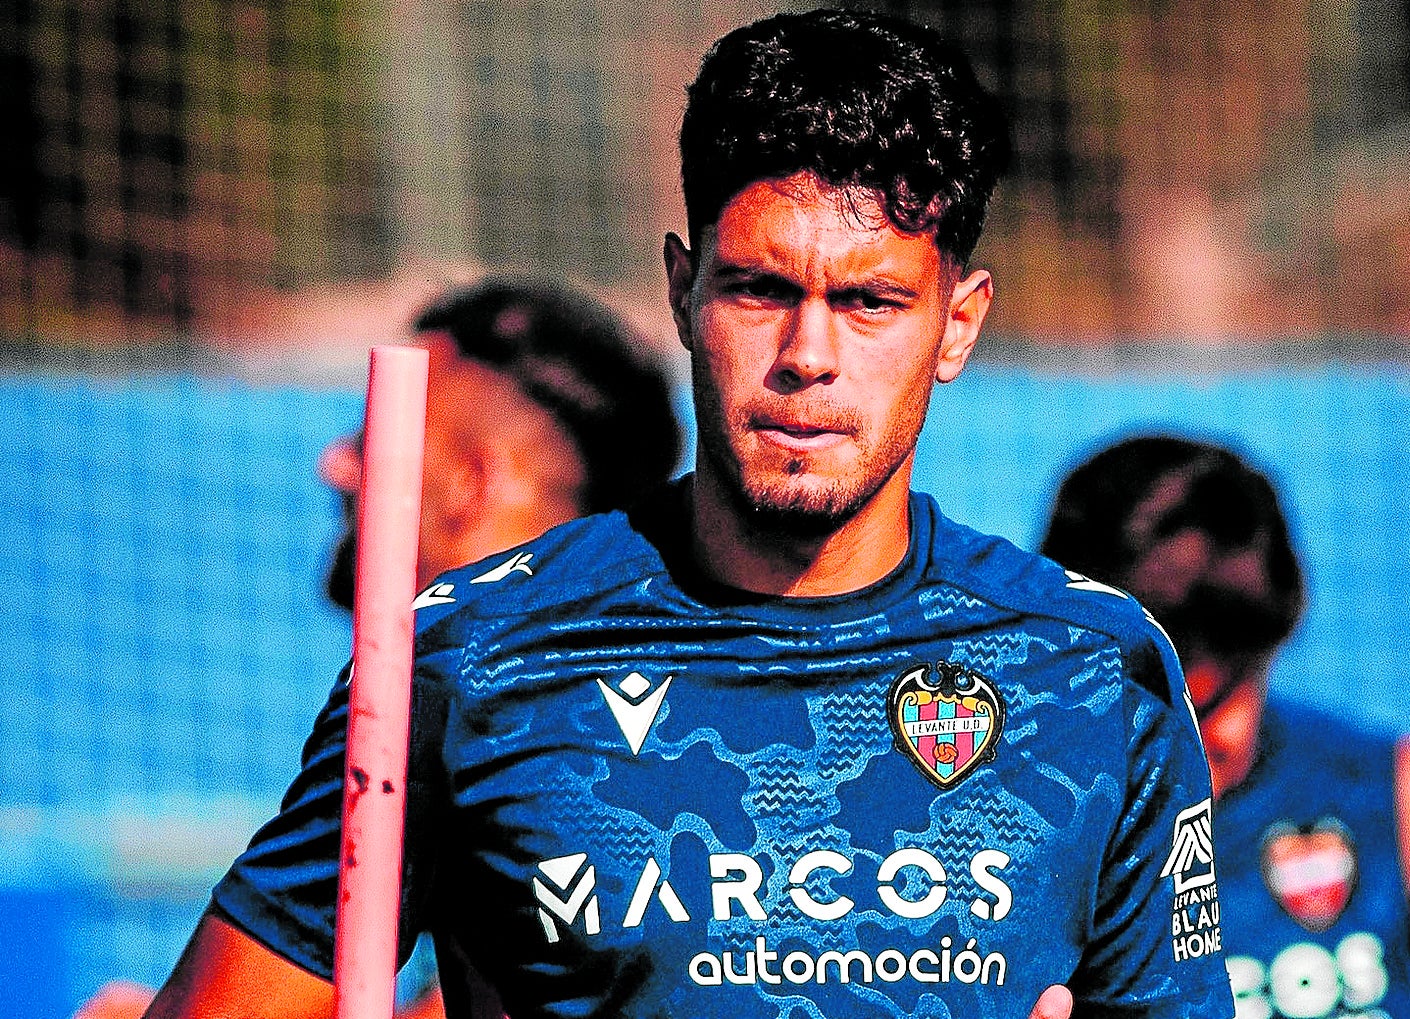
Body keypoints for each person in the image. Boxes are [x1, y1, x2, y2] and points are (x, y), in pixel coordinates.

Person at [141, 10, 1231, 1019]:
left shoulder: (1098, 673)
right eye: (761, 290)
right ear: (680, 288)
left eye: (870, 302)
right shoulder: (464, 660)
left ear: (958, 322)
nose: (808, 357)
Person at [70, 276, 682, 1019]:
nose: (335, 464)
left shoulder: (468, 704)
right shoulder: (665, 697)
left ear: (469, 483)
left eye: (370, 439)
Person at [1040, 434, 1410, 1019]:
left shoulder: (1385, 792)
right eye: (1168, 715)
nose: (1214, 740)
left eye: (1225, 696)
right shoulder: (1025, 834)